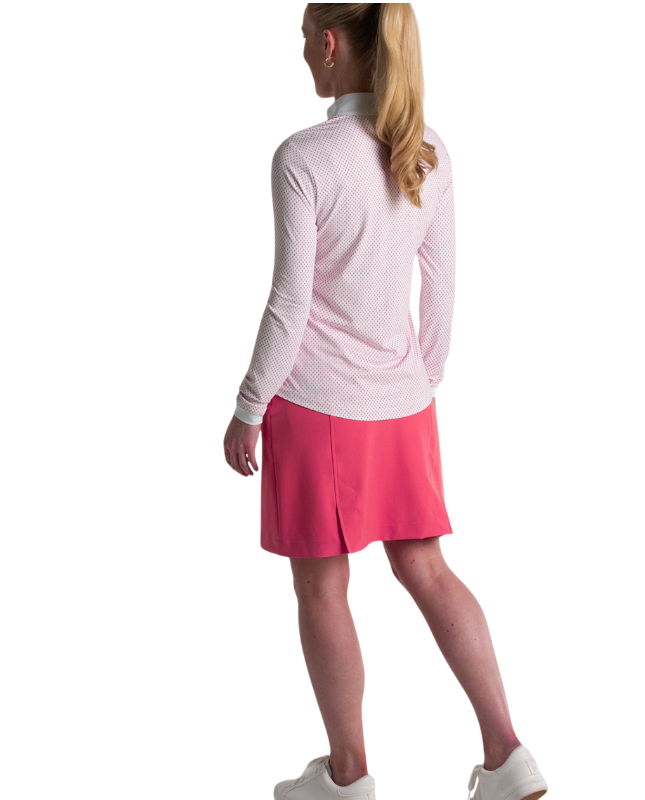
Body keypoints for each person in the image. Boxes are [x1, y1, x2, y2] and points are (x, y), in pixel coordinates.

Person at [222, 5, 547, 800]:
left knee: (322, 587)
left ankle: (348, 778)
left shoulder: (304, 155)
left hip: (315, 405)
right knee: (428, 570)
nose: (304, 57)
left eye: (305, 43)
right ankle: (508, 755)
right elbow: (444, 287)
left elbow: (289, 302)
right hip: (405, 406)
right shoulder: (428, 147)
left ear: (331, 44)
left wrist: (249, 405)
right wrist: (416, 385)